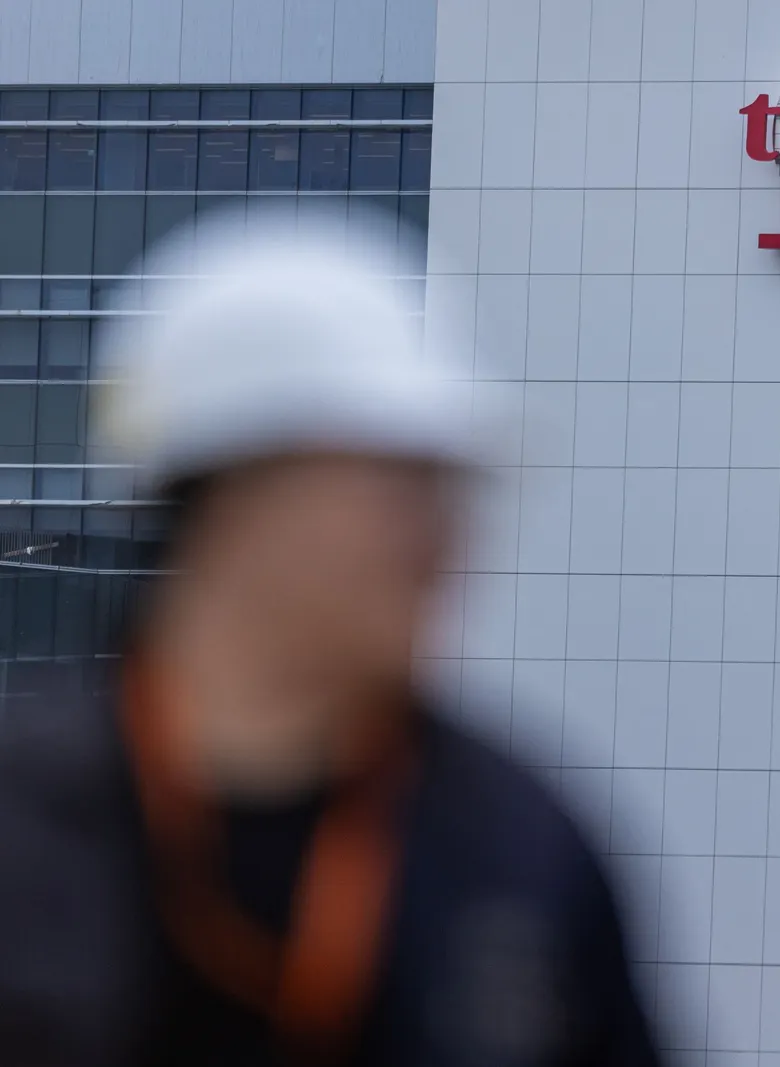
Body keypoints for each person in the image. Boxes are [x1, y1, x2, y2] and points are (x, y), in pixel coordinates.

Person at [0, 229, 661, 1067]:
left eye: (448, 490)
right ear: (232, 488)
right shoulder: (24, 829)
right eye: (398, 486)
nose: (442, 539)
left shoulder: (522, 851)